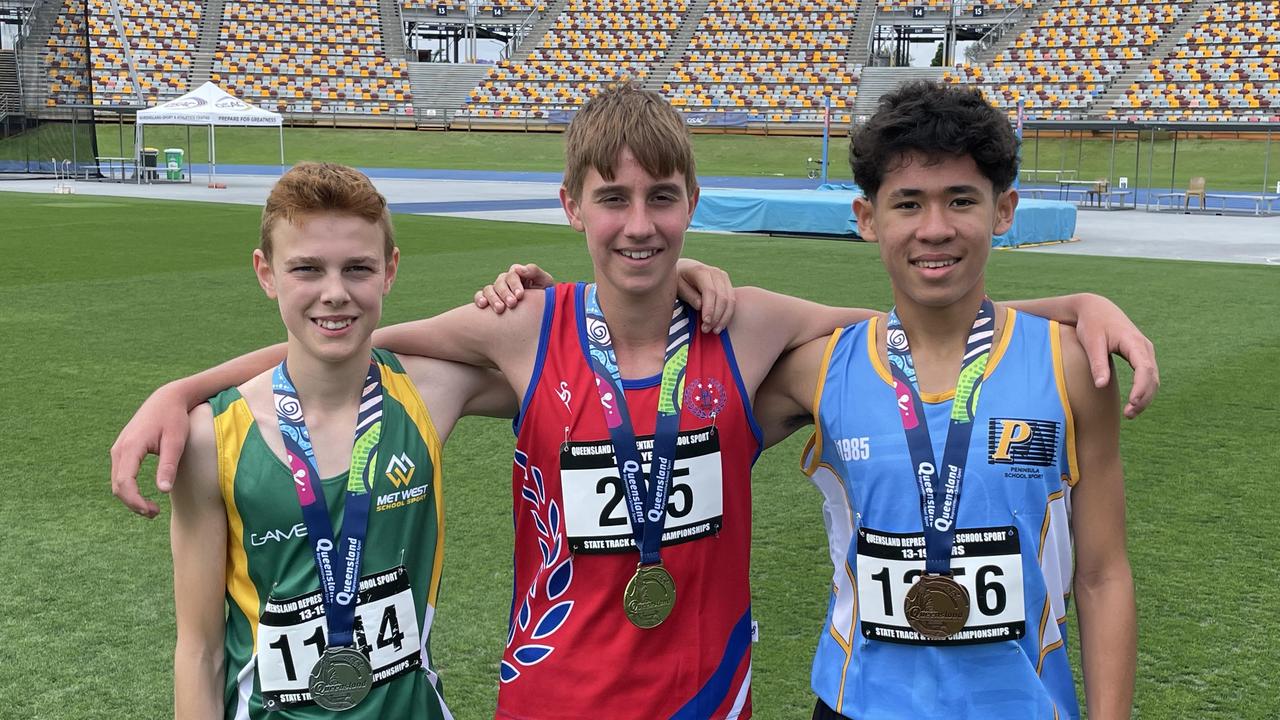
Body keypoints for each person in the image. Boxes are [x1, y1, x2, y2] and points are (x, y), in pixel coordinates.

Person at [113, 84, 1155, 719]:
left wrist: (1074, 302)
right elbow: (344, 340)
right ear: (570, 207)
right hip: (552, 699)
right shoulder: (521, 330)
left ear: (691, 205)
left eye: (661, 198)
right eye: (611, 198)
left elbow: (918, 317)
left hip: (706, 698)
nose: (638, 224)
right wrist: (187, 388)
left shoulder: (744, 326)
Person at [755, 81, 1136, 719]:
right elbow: (686, 428)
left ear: (1003, 209)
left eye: (961, 200)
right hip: (858, 703)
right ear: (867, 218)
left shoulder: (1070, 366)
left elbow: (1102, 574)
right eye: (908, 203)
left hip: (1023, 705)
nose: (935, 229)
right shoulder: (817, 370)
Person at [167, 162, 516, 719]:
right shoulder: (210, 437)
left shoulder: (430, 392)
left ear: (390, 270)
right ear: (266, 273)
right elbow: (200, 649)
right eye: (307, 268)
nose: (334, 293)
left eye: (357, 268)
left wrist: (680, 273)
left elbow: (569, 371)